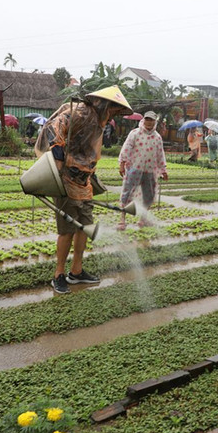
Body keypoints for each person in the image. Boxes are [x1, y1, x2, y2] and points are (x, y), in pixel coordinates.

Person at [34, 85, 133, 294]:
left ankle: (76, 272)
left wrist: (91, 171)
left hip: (84, 182)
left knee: (84, 227)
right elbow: (54, 128)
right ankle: (58, 274)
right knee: (67, 230)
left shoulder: (98, 123)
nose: (113, 112)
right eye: (112, 107)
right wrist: (58, 157)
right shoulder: (78, 112)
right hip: (66, 179)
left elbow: (89, 151)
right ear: (103, 103)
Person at [117, 111, 168, 230]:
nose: (149, 122)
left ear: (155, 122)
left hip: (150, 170)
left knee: (148, 195)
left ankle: (142, 220)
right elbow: (126, 148)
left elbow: (160, 154)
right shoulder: (135, 133)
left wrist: (163, 170)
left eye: (151, 120)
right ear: (143, 120)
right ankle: (122, 220)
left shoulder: (157, 137)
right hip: (134, 168)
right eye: (147, 119)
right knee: (127, 193)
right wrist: (122, 163)